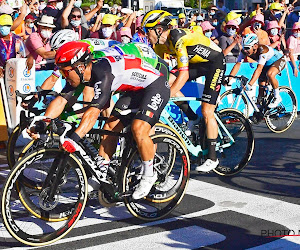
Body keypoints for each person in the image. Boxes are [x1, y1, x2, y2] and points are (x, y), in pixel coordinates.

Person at [28, 41, 170, 200]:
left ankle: (149, 175)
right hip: (135, 91)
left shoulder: (102, 73)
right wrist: (43, 123)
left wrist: (74, 138)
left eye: (65, 72)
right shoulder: (79, 74)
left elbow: (94, 111)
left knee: (139, 128)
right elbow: (61, 101)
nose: (63, 76)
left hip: (156, 86)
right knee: (110, 127)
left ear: (79, 67)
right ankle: (101, 173)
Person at [142, 10, 226, 172]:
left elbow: (184, 74)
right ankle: (192, 117)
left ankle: (213, 158)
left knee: (207, 110)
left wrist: (166, 95)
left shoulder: (177, 38)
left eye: (148, 30)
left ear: (159, 29)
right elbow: (160, 72)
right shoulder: (159, 44)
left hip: (214, 63)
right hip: (197, 63)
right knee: (166, 83)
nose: (146, 35)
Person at [228, 33, 286, 111]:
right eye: (244, 48)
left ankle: (277, 97)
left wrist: (250, 84)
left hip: (278, 60)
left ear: (255, 46)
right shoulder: (244, 51)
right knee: (261, 86)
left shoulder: (263, 50)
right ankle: (260, 109)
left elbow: (259, 69)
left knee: (270, 74)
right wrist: (229, 78)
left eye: (247, 48)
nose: (245, 50)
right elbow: (238, 64)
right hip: (266, 64)